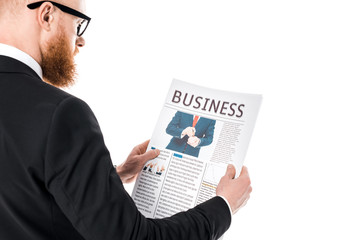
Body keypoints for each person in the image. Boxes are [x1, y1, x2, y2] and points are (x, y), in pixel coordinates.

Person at [0, 1, 252, 239]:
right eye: (77, 24)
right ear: (47, 15)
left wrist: (106, 177)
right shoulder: (61, 112)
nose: (80, 40)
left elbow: (21, 188)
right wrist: (224, 207)